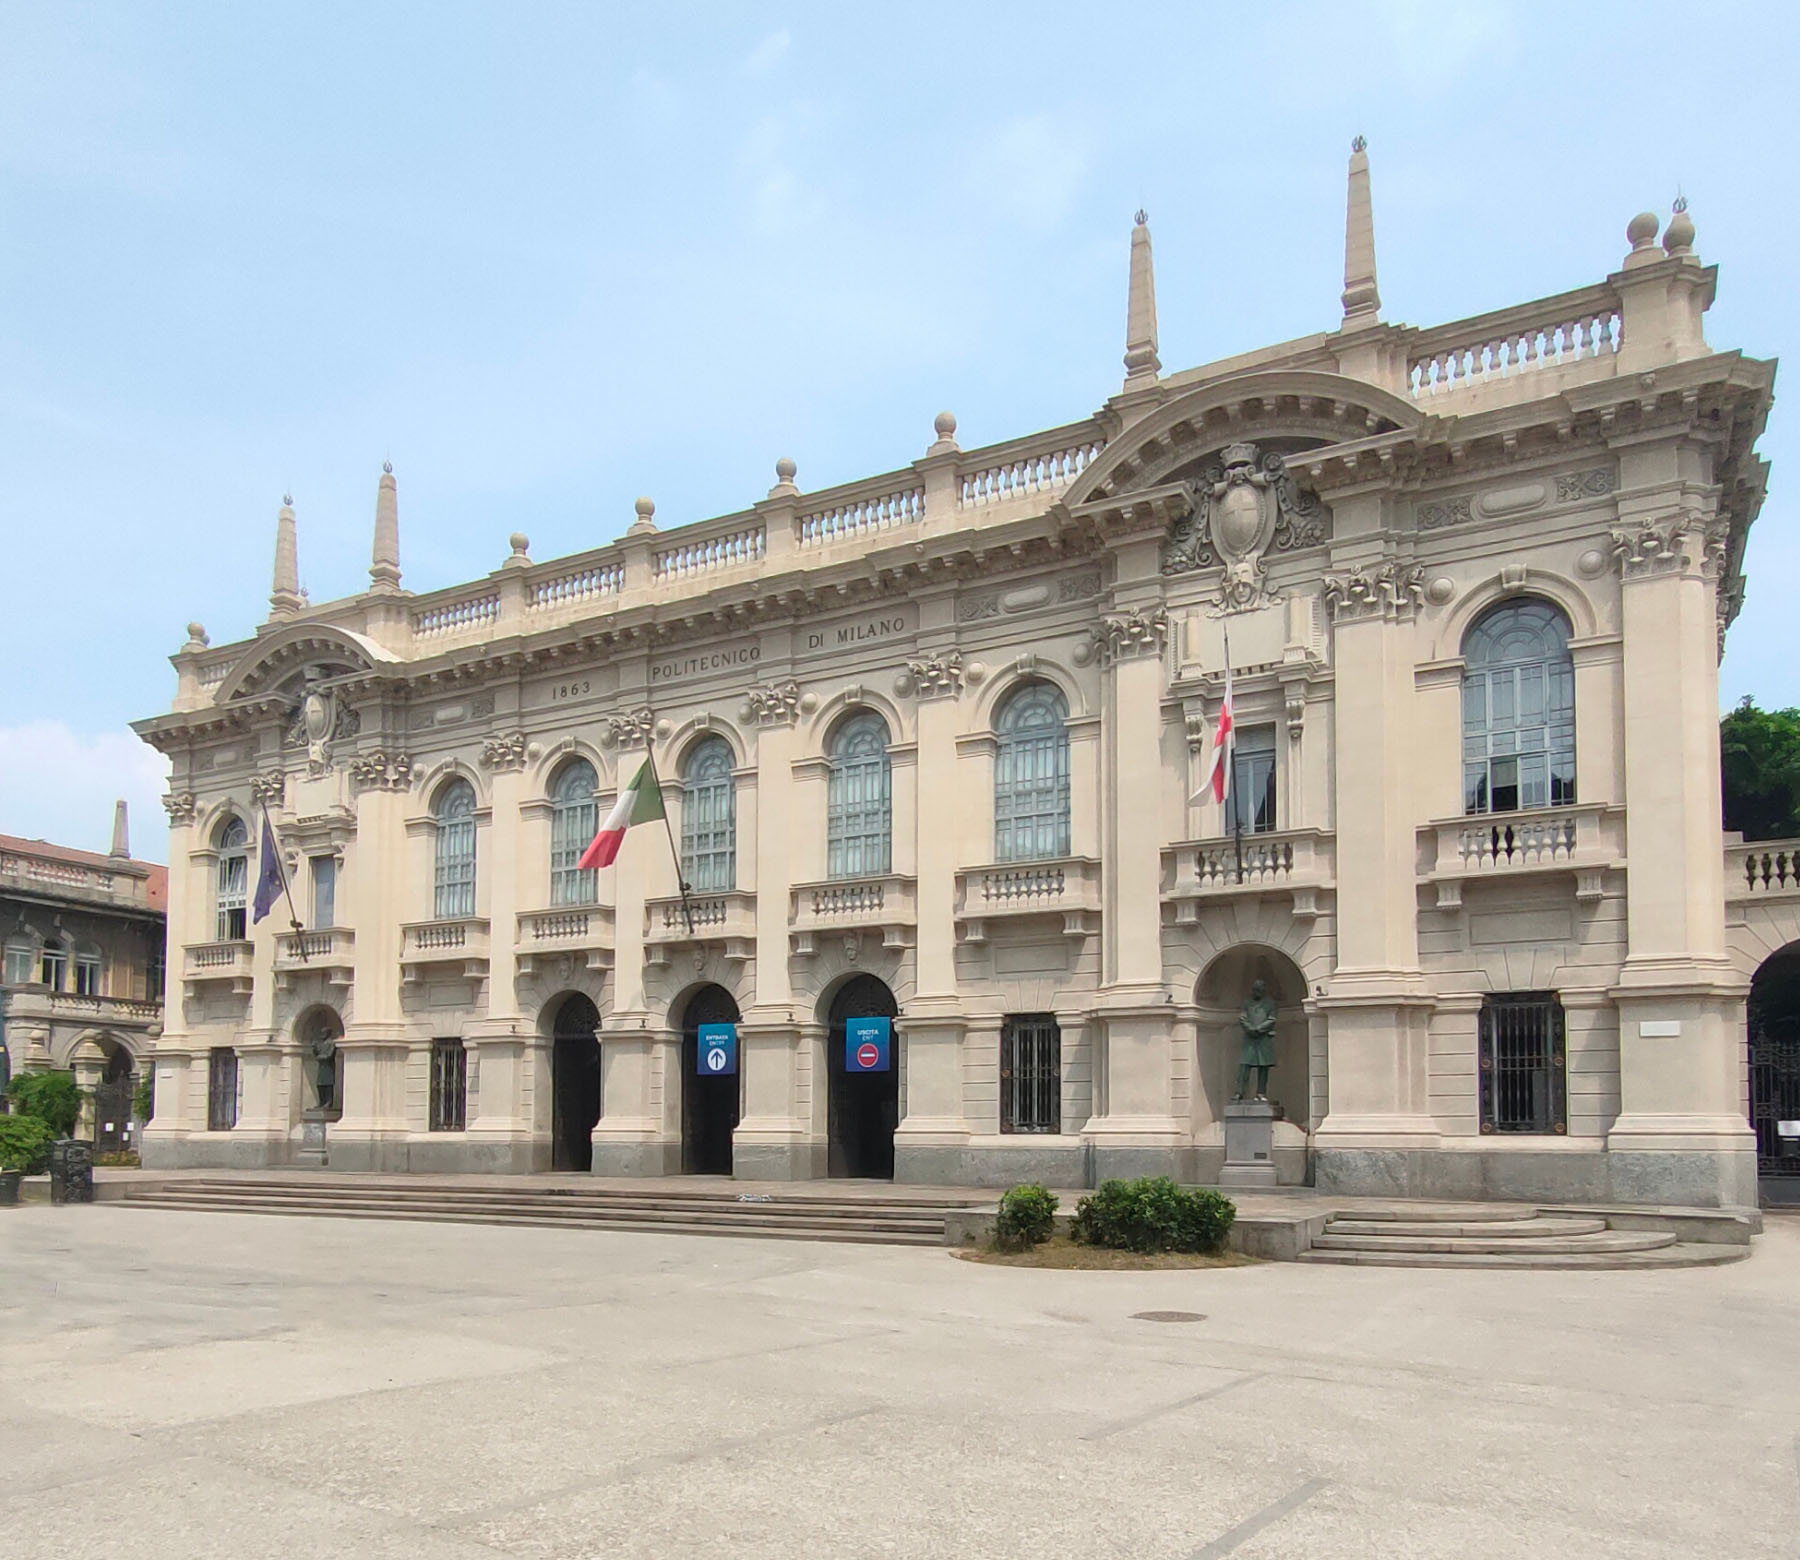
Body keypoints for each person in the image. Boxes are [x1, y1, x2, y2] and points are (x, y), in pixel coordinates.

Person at [1234, 978, 1278, 1101]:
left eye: (1259, 989)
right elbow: (1242, 1017)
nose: (1256, 992)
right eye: (1255, 989)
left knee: (1263, 1067)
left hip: (1264, 1038)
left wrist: (1259, 1029)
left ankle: (1261, 1093)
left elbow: (1272, 1019)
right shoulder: (1246, 1003)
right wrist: (1250, 1029)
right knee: (1244, 1066)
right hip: (1249, 1039)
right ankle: (1239, 1092)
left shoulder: (1270, 1003)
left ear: (1263, 990)